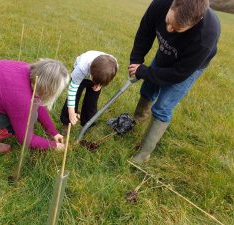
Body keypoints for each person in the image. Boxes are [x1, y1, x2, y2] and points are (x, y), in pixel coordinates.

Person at [128, 0, 220, 163]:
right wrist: (136, 61)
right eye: (168, 22)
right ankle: (138, 119)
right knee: (149, 87)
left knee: (163, 106)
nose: (169, 30)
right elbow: (145, 32)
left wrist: (145, 71)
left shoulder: (206, 35)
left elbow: (178, 74)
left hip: (187, 67)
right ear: (172, 5)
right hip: (166, 53)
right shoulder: (160, 4)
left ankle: (144, 154)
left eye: (177, 29)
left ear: (195, 22)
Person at [60, 50, 118, 129]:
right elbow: (72, 91)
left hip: (97, 76)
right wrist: (71, 111)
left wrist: (100, 85)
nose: (96, 83)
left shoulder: (113, 66)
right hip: (82, 76)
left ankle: (87, 124)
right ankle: (66, 123)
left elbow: (107, 78)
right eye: (95, 81)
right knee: (75, 97)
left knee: (92, 101)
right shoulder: (81, 68)